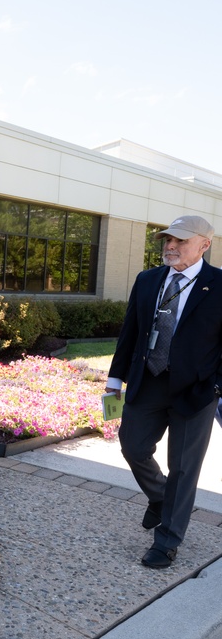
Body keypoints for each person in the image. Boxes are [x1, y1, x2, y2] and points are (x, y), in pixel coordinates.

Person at [105, 215, 222, 569]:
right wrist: (114, 380)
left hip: (195, 390)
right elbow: (131, 332)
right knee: (133, 445)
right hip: (149, 380)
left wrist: (216, 385)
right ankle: (160, 497)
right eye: (168, 240)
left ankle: (167, 541)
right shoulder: (147, 280)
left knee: (183, 468)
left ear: (205, 244)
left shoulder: (219, 284)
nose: (170, 246)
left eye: (181, 241)